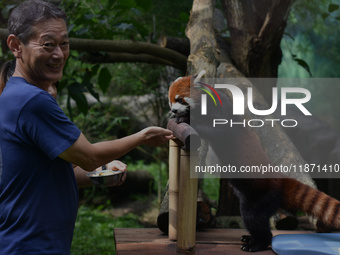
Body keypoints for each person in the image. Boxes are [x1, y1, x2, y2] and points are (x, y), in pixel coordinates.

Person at [0, 0, 173, 254]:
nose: (59, 54)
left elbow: (50, 175)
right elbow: (90, 157)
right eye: (48, 45)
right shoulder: (32, 101)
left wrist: (98, 177)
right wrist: (141, 137)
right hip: (30, 245)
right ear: (16, 46)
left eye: (64, 43)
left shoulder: (15, 94)